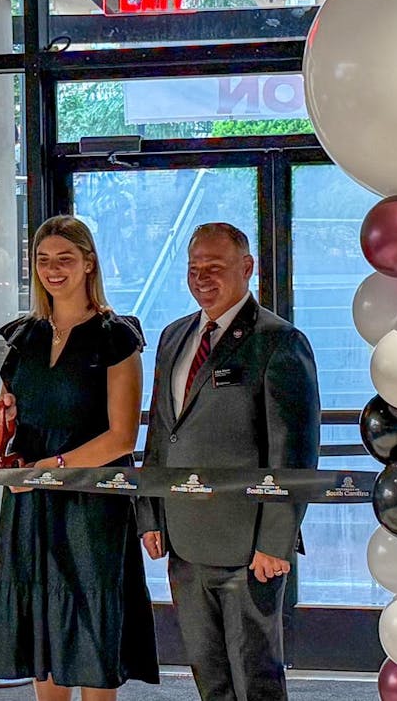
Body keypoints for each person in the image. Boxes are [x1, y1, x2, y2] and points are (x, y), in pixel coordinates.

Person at [136, 223, 321, 701]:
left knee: (256, 678)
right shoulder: (175, 337)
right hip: (184, 541)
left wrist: (276, 541)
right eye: (194, 269)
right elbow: (160, 434)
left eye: (214, 268)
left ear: (247, 269)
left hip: (249, 550)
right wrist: (151, 513)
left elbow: (294, 453)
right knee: (210, 676)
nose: (202, 278)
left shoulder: (278, 341)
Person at [0, 215, 159, 700]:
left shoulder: (116, 336)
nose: (53, 269)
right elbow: (12, 425)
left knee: (90, 634)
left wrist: (53, 469)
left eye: (64, 259)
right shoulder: (23, 337)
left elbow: (122, 437)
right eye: (43, 260)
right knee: (41, 627)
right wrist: (4, 419)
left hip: (91, 505)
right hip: (31, 505)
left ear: (88, 264)